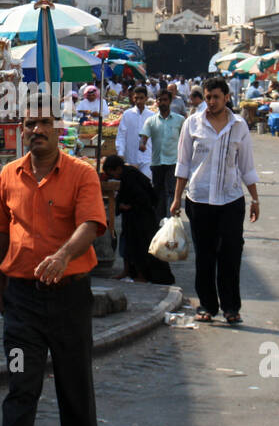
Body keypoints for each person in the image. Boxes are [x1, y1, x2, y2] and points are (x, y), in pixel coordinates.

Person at [0, 110, 108, 426]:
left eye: (44, 124)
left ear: (58, 131)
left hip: (69, 297)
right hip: (22, 301)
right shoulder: (9, 175)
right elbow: (1, 231)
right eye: (29, 125)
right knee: (21, 386)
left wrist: (63, 255)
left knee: (74, 384)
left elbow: (91, 222)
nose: (36, 131)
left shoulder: (81, 173)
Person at [170, 76, 260, 324]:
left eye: (216, 97)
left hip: (231, 199)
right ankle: (207, 306)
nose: (211, 102)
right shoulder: (192, 124)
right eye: (208, 97)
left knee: (230, 253)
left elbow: (247, 166)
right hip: (199, 199)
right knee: (205, 254)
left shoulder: (239, 126)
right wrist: (177, 198)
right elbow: (183, 164)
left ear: (227, 98)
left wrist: (255, 198)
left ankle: (231, 307)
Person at [102, 155, 174, 285]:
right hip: (132, 218)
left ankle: (142, 275)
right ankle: (128, 271)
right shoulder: (127, 174)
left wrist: (127, 206)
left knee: (140, 248)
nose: (112, 175)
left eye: (112, 172)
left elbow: (142, 197)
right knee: (128, 245)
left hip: (142, 219)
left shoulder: (130, 176)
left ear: (117, 168)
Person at [140, 88, 184, 220]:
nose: (163, 102)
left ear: (170, 101)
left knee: (171, 192)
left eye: (165, 100)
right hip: (157, 162)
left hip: (173, 162)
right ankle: (159, 223)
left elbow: (186, 139)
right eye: (160, 100)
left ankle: (171, 221)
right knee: (158, 193)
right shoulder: (151, 121)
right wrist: (142, 144)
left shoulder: (180, 120)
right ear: (156, 102)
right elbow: (144, 137)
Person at [117, 85, 154, 177]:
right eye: (136, 98)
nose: (139, 101)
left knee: (146, 184)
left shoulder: (152, 116)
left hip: (147, 157)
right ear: (133, 98)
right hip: (130, 157)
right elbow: (121, 134)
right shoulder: (127, 114)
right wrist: (120, 152)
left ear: (146, 98)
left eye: (141, 98)